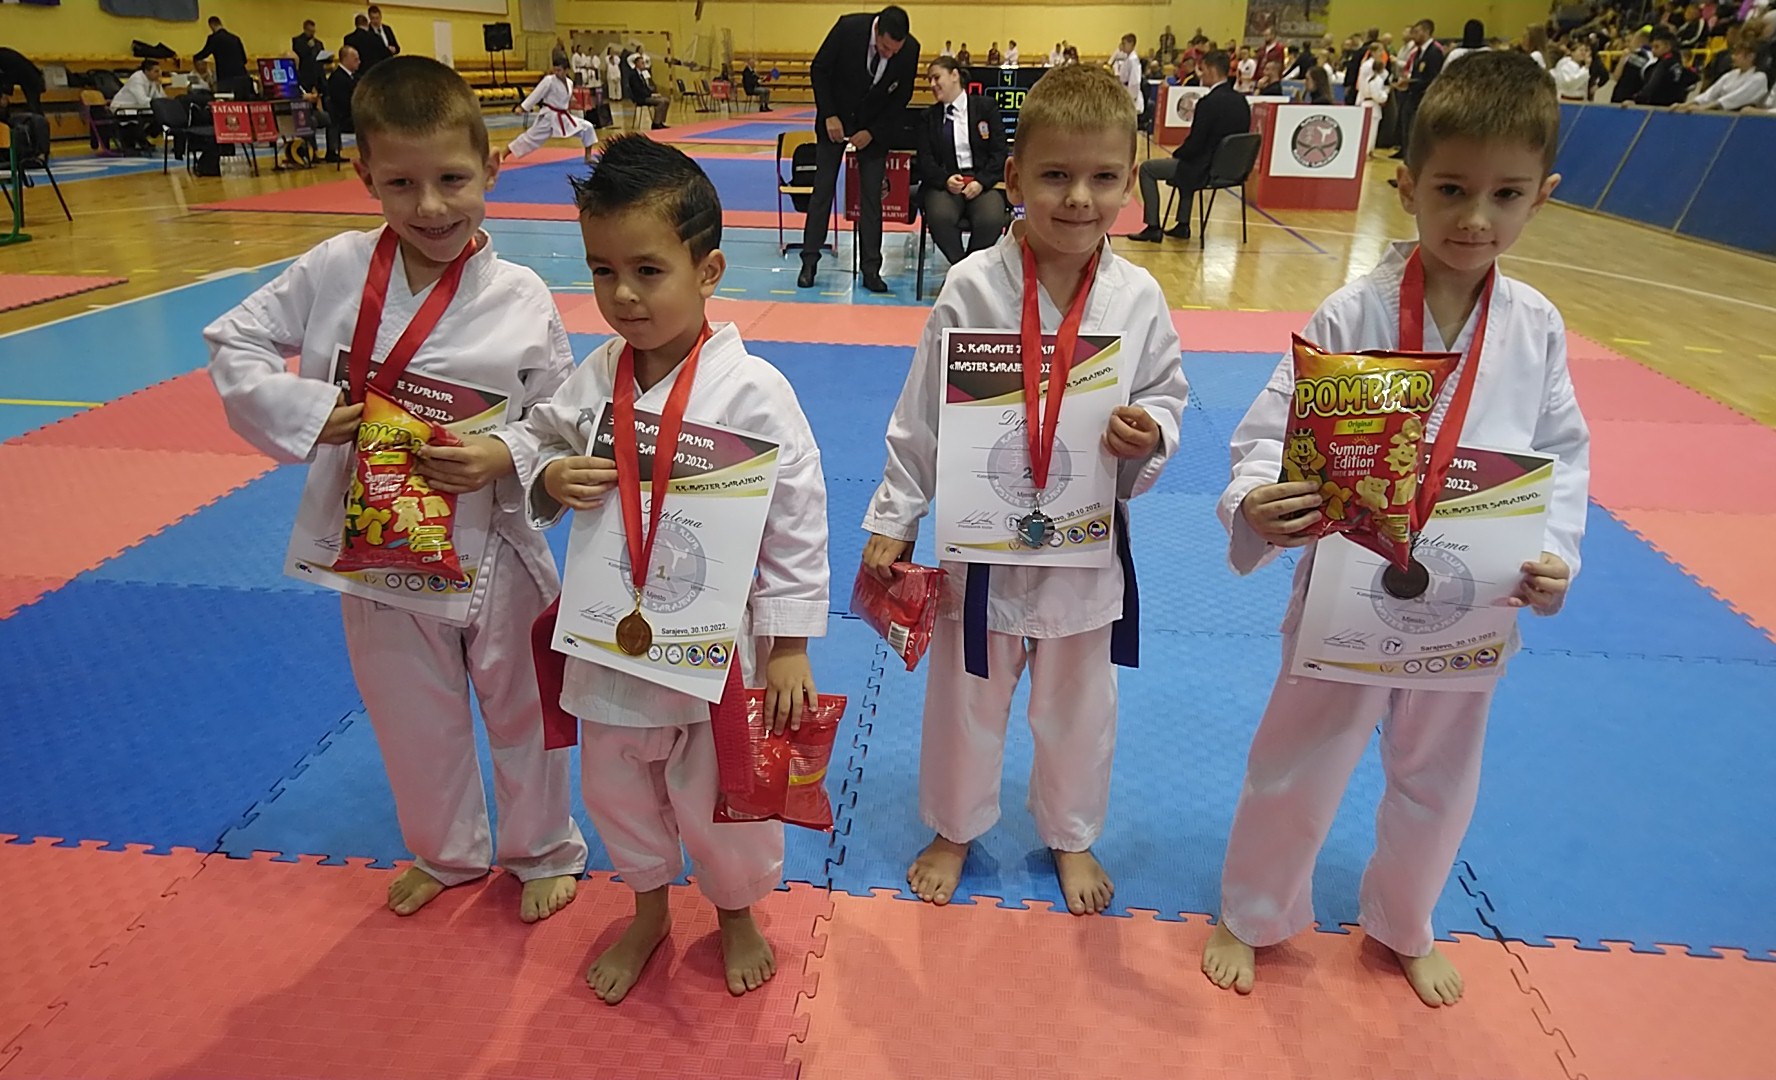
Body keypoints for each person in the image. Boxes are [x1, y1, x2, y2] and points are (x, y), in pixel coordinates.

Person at [1201, 50, 1590, 1009]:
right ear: (1407, 186)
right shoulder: (1355, 312)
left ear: (1543, 197)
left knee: (1440, 774)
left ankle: (1406, 919)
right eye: (1452, 189)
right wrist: (1256, 499)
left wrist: (1556, 555)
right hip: (1345, 584)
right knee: (1300, 757)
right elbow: (1272, 431)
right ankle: (1252, 910)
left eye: (1506, 195)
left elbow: (1560, 455)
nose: (1476, 218)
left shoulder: (1537, 326)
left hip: (1474, 594)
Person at [205, 56, 588, 925]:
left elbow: (561, 418)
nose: (432, 207)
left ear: (491, 168)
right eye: (402, 184)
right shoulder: (334, 269)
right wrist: (309, 411)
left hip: (496, 545)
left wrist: (502, 454)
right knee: (411, 714)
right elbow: (235, 341)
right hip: (376, 540)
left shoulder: (522, 296)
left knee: (526, 710)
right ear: (364, 176)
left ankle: (541, 848)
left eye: (452, 179)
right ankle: (447, 851)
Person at [863, 62, 1187, 918]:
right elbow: (922, 412)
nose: (1079, 198)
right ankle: (955, 826)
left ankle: (1071, 834)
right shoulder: (973, 285)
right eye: (1055, 175)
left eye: (1104, 177)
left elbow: (1167, 392)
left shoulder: (1139, 296)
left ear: (1131, 182)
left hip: (1085, 543)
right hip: (981, 548)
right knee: (965, 699)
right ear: (1013, 177)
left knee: (1079, 710)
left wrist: (1151, 431)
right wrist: (897, 513)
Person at [519, 134, 830, 1003]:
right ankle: (649, 908)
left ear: (708, 269)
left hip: (711, 655)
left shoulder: (755, 391)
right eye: (603, 270)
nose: (623, 294)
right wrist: (551, 474)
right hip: (609, 641)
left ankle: (734, 911)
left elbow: (798, 521)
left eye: (648, 271)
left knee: (721, 798)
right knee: (617, 793)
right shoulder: (597, 376)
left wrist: (790, 645)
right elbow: (539, 440)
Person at [798, 5, 920, 293]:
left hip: (873, 128)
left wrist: (873, 132)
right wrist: (829, 114)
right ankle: (809, 262)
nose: (889, 55)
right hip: (835, 120)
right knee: (822, 191)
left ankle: (871, 269)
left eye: (895, 51)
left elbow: (901, 97)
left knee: (872, 199)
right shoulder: (848, 28)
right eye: (885, 48)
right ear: (877, 31)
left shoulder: (910, 50)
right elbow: (819, 69)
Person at [1127, 50, 1249, 242]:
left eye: (1203, 69)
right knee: (1188, 162)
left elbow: (1196, 143)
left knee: (1147, 169)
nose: (1201, 74)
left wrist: (1177, 154)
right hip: (1232, 169)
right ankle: (1182, 224)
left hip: (1205, 167)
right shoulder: (1242, 102)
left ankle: (1153, 226)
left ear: (1211, 70)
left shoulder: (1208, 103)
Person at [915, 56, 1012, 266]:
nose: (932, 84)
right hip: (945, 184)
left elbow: (999, 152)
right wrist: (945, 180)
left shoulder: (986, 107)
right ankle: (962, 268)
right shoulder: (928, 117)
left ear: (954, 75)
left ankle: (970, 269)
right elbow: (925, 160)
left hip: (982, 181)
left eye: (936, 78)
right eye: (929, 79)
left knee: (991, 219)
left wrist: (981, 182)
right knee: (939, 217)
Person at [505, 58, 600, 164]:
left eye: (559, 70)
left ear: (566, 70)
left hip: (564, 116)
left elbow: (566, 99)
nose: (556, 73)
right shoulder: (549, 80)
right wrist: (523, 107)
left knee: (587, 127)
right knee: (530, 137)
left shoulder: (569, 82)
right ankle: (504, 154)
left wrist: (573, 102)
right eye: (555, 70)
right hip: (549, 118)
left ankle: (588, 157)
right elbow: (536, 94)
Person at [1397, 20, 1446, 160]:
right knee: (1407, 133)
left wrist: (1412, 82)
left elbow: (1433, 79)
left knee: (1415, 136)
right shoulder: (1418, 52)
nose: (1413, 36)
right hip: (1412, 97)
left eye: (1417, 32)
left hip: (1422, 99)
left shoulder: (1434, 52)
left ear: (1426, 31)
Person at [1677, 40, 1770, 106]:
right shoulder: (1731, 75)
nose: (1733, 57)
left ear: (1751, 56)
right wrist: (1688, 104)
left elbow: (1737, 97)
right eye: (1734, 54)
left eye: (1737, 54)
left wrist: (1709, 106)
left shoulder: (1759, 77)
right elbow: (1710, 93)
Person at [110, 58, 166, 152]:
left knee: (162, 118)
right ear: (147, 71)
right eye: (156, 71)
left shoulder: (153, 81)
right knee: (149, 117)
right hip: (122, 108)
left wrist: (158, 87)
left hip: (139, 109)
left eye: (160, 71)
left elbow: (162, 98)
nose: (159, 74)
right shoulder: (137, 79)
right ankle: (139, 139)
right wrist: (158, 104)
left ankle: (142, 137)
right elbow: (142, 100)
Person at [1635, 27, 1701, 102]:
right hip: (1675, 104)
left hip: (1658, 104)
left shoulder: (1664, 65)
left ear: (1668, 47)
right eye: (1652, 47)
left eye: (1657, 47)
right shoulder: (1678, 63)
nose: (1653, 50)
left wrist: (1637, 99)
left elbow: (1653, 85)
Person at [319, 44, 360, 162]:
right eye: (355, 59)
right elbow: (343, 103)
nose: (359, 62)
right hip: (344, 117)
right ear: (346, 59)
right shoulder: (337, 78)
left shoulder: (355, 77)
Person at [195, 15, 251, 97]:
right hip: (242, 79)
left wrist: (195, 58)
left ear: (211, 25)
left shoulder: (214, 39)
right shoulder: (235, 38)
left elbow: (204, 53)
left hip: (226, 80)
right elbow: (244, 60)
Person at [623, 53, 670, 129]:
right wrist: (650, 95)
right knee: (661, 102)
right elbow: (639, 90)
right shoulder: (633, 75)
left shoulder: (642, 74)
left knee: (666, 100)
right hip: (641, 98)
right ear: (637, 64)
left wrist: (653, 93)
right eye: (642, 63)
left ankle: (661, 121)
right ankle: (656, 123)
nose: (644, 64)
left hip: (646, 95)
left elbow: (646, 87)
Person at [1610, 27, 1655, 100]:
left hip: (1632, 100)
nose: (1626, 44)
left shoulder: (1650, 58)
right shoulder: (1629, 55)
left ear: (1640, 42)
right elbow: (1616, 77)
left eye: (1630, 41)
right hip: (1619, 97)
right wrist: (1623, 58)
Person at [0, 47, 44, 118]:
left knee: (34, 107)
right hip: (32, 76)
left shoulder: (4, 57)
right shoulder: (4, 54)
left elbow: (10, 74)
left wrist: (5, 92)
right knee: (34, 107)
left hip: (31, 79)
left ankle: (40, 122)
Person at [1112, 33, 1144, 113]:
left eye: (1124, 43)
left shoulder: (1133, 60)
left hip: (1131, 94)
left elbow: (1135, 80)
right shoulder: (1128, 58)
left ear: (1131, 44)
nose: (1122, 46)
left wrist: (1132, 97)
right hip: (1125, 90)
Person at [293, 19, 326, 93]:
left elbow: (322, 54)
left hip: (318, 74)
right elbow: (300, 54)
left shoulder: (318, 43)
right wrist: (309, 47)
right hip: (305, 73)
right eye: (310, 31)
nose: (312, 34)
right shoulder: (298, 41)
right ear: (305, 29)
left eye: (313, 31)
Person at [364, 5, 402, 69]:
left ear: (381, 17)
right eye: (373, 18)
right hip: (375, 65)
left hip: (389, 63)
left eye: (377, 18)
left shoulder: (387, 29)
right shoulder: (367, 32)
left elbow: (397, 47)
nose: (376, 21)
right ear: (369, 18)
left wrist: (394, 49)